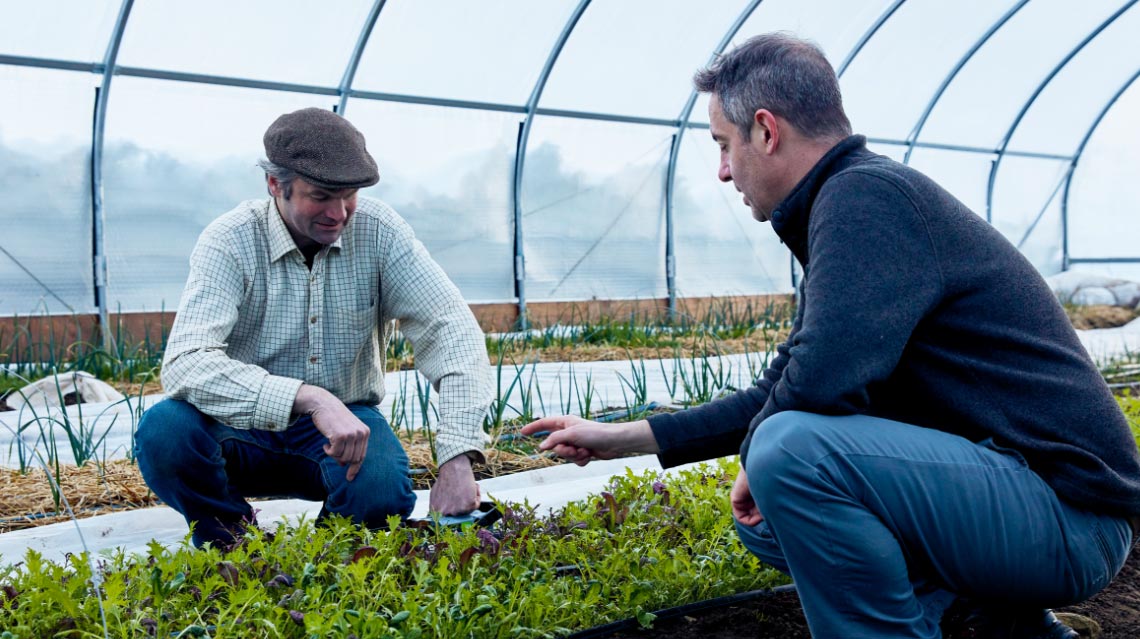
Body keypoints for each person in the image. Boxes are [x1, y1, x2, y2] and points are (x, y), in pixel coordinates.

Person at [522, 33, 1140, 639]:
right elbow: (788, 382)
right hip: (1032, 503)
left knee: (788, 454)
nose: (721, 171)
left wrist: (761, 455)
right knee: (770, 513)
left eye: (723, 145)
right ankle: (1002, 621)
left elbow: (818, 380)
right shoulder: (852, 201)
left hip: (1071, 519)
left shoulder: (865, 200)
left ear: (766, 131)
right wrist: (620, 438)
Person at [135, 107, 492, 549]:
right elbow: (186, 363)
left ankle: (329, 557)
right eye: (320, 195)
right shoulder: (230, 240)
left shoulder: (379, 232)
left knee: (381, 489)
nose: (339, 213)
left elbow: (451, 332)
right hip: (236, 428)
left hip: (346, 429)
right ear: (275, 185)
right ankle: (231, 538)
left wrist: (457, 459)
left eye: (350, 196)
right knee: (164, 431)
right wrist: (309, 397)